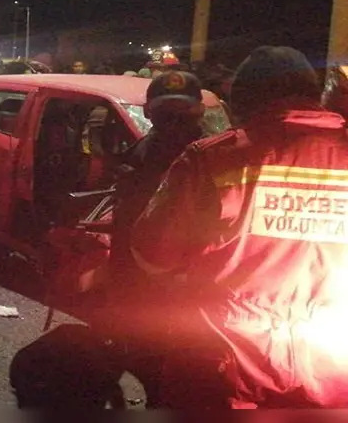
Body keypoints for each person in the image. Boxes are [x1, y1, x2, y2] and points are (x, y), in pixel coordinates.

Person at [129, 46, 348, 408]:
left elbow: (152, 252)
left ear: (243, 99)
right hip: (333, 371)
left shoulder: (212, 159)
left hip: (225, 367)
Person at [98, 70, 207, 405]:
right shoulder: (146, 148)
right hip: (136, 278)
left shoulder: (209, 158)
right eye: (167, 114)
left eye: (182, 114)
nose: (174, 122)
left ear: (197, 114)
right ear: (150, 114)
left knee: (168, 372)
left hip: (178, 286)